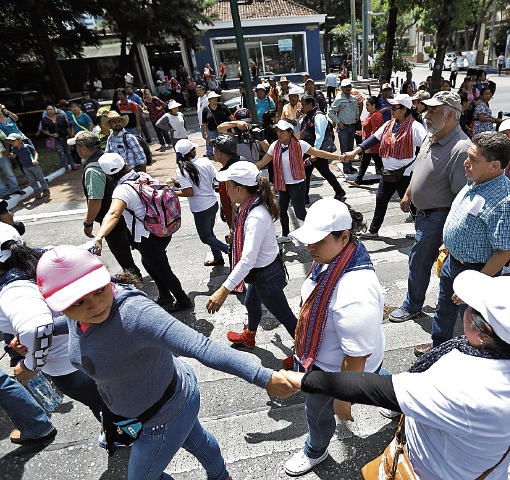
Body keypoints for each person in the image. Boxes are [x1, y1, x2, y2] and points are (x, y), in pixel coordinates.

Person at [36, 244, 296, 480]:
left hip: (162, 415)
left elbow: (201, 346)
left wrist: (265, 377)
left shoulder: (135, 314)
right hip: (164, 399)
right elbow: (73, 324)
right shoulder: (75, 314)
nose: (94, 305)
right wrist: (43, 331)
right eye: (78, 301)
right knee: (199, 442)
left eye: (99, 290)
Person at [283, 270, 510, 479]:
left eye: (470, 308)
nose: (464, 309)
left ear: (482, 333)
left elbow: (375, 389)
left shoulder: (465, 387)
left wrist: (302, 380)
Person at [282, 198, 386, 476]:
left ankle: (315, 450)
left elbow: (355, 358)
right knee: (379, 379)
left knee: (316, 412)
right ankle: (397, 400)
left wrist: (343, 398)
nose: (310, 247)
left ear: (344, 236)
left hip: (334, 372)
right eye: (309, 239)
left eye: (318, 240)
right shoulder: (340, 257)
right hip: (358, 357)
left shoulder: (353, 291)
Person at [414, 132, 510, 355]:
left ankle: (471, 360)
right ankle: (439, 348)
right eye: (468, 156)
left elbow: (505, 251)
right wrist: (448, 243)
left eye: (473, 159)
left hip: (477, 272)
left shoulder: (509, 201)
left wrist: (475, 285)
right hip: (453, 262)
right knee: (444, 310)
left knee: (473, 323)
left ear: (495, 165)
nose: (466, 163)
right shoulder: (475, 180)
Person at [0, 224, 106, 422]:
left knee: (105, 406)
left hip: (69, 365)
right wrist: (93, 244)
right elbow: (80, 251)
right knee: (114, 400)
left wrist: (30, 366)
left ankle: (128, 437)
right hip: (92, 345)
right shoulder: (42, 256)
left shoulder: (12, 288)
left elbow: (37, 326)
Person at [205, 161, 299, 367]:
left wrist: (222, 290)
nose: (225, 189)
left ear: (239, 189)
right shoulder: (248, 204)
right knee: (250, 303)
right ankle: (249, 335)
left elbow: (247, 260)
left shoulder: (256, 215)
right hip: (259, 273)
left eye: (227, 185)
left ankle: (307, 353)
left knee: (286, 317)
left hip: (265, 275)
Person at [389, 92, 470, 322]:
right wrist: (408, 193)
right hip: (423, 213)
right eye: (427, 110)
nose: (426, 115)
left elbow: (461, 197)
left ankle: (413, 305)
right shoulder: (432, 135)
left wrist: (449, 235)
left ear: (451, 115)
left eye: (434, 111)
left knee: (419, 262)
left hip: (439, 216)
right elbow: (419, 168)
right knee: (420, 261)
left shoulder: (461, 147)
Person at [93, 153, 193, 313]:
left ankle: (183, 300)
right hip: (163, 229)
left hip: (148, 237)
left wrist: (98, 237)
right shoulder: (142, 176)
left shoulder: (122, 190)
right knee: (149, 263)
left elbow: (113, 214)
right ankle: (165, 296)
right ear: (125, 164)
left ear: (107, 174)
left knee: (162, 269)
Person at [343, 94, 428, 239]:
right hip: (388, 173)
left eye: (395, 107)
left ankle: (420, 230)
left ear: (404, 110)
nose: (392, 110)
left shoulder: (415, 127)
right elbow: (371, 140)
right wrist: (353, 152)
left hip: (405, 174)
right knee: (380, 199)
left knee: (411, 204)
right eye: (392, 107)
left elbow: (427, 145)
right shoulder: (389, 125)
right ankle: (373, 230)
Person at [255, 119, 345, 243]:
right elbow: (262, 162)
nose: (279, 134)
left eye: (282, 131)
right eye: (278, 131)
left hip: (297, 184)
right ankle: (285, 234)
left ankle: (320, 228)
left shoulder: (300, 144)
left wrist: (339, 157)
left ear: (290, 132)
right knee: (281, 210)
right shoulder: (275, 146)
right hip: (282, 184)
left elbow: (319, 153)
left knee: (300, 213)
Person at [69, 130, 142, 279]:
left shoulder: (92, 169)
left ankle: (134, 277)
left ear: (83, 148)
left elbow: (95, 200)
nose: (75, 150)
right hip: (129, 210)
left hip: (112, 216)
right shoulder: (107, 158)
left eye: (76, 147)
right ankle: (155, 268)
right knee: (139, 243)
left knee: (120, 249)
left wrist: (88, 223)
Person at [173, 139, 229, 267]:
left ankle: (228, 250)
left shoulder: (181, 170)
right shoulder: (204, 162)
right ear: (191, 152)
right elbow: (217, 179)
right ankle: (217, 257)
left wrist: (173, 193)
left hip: (200, 209)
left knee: (205, 237)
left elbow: (189, 192)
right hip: (212, 203)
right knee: (210, 233)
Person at [296, 94, 346, 203]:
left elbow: (320, 135)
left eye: (303, 105)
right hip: (307, 151)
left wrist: (315, 153)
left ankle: (339, 191)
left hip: (316, 152)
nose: (301, 107)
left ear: (310, 104)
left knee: (325, 172)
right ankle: (304, 197)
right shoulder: (305, 117)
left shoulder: (318, 116)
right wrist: (297, 117)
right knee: (305, 173)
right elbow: (297, 128)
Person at [349, 96, 384, 187]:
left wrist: (369, 146)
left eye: (367, 105)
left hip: (373, 146)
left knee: (380, 164)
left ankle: (391, 181)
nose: (366, 107)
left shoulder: (376, 115)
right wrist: (362, 133)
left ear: (373, 105)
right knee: (364, 163)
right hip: (369, 144)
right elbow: (369, 129)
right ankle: (358, 181)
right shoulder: (371, 114)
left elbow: (375, 132)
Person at [210, 134, 244, 229]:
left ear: (219, 154)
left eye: (215, 151)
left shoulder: (229, 175)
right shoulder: (242, 163)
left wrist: (233, 229)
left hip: (241, 224)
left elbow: (235, 204)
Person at [328, 78, 359, 174]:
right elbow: (330, 112)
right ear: (342, 88)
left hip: (351, 126)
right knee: (345, 148)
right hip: (343, 127)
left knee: (350, 148)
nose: (347, 88)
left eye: (349, 86)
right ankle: (346, 166)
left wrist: (357, 115)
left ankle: (349, 165)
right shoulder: (339, 99)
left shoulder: (352, 98)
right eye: (345, 87)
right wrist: (338, 122)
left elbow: (356, 108)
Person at [6, 134, 50, 200]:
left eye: (13, 141)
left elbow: (35, 153)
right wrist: (9, 153)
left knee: (41, 178)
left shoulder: (27, 146)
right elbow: (14, 156)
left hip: (34, 166)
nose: (11, 143)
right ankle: (36, 191)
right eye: (10, 141)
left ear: (19, 140)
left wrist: (35, 160)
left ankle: (45, 189)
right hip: (25, 167)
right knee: (31, 180)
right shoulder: (14, 149)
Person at [40, 105, 77, 172]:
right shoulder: (44, 120)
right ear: (46, 111)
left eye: (51, 109)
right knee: (61, 153)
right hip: (55, 139)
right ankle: (67, 168)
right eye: (48, 109)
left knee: (68, 152)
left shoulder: (61, 116)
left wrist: (70, 135)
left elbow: (67, 126)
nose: (50, 111)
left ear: (54, 110)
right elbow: (43, 130)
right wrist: (52, 135)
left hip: (65, 136)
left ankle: (73, 165)